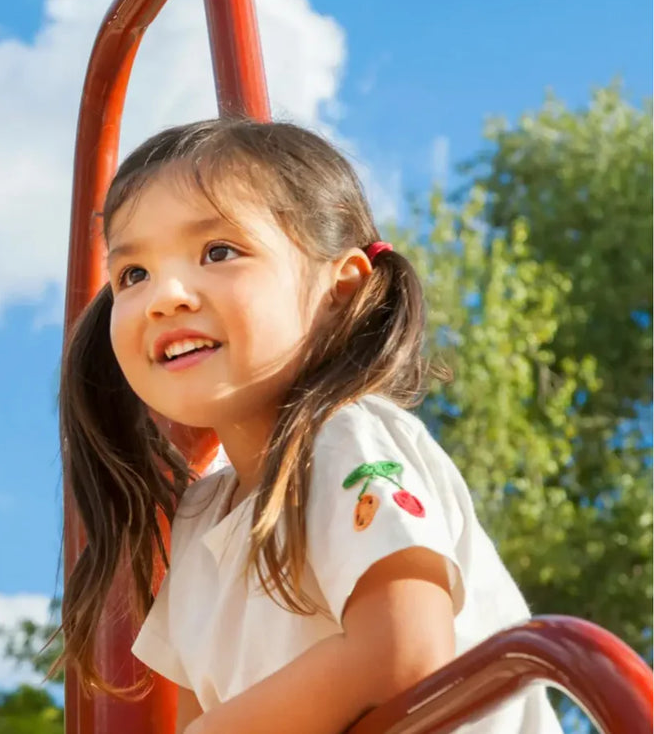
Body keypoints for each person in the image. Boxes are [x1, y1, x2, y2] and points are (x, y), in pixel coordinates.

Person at [56, 118, 563, 734]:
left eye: (219, 251)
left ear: (340, 290)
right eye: (132, 274)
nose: (166, 295)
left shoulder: (343, 436)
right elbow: (207, 708)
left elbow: (404, 649)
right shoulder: (196, 523)